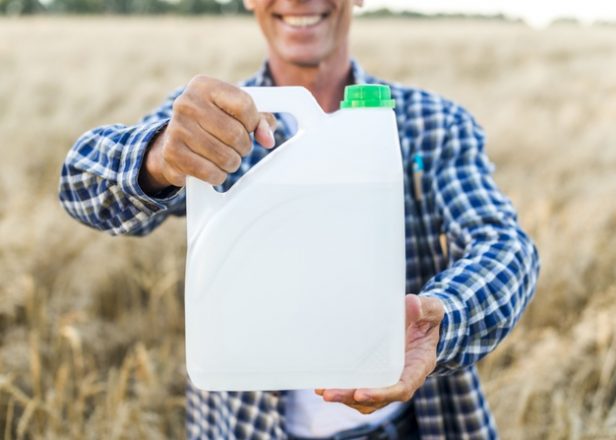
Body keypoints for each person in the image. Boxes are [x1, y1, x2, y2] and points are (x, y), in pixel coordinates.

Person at [59, 0, 540, 438]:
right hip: (251, 425)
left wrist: (442, 320)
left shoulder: (427, 122)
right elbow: (79, 186)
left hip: (414, 423)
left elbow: (504, 245)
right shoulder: (215, 123)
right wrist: (159, 157)